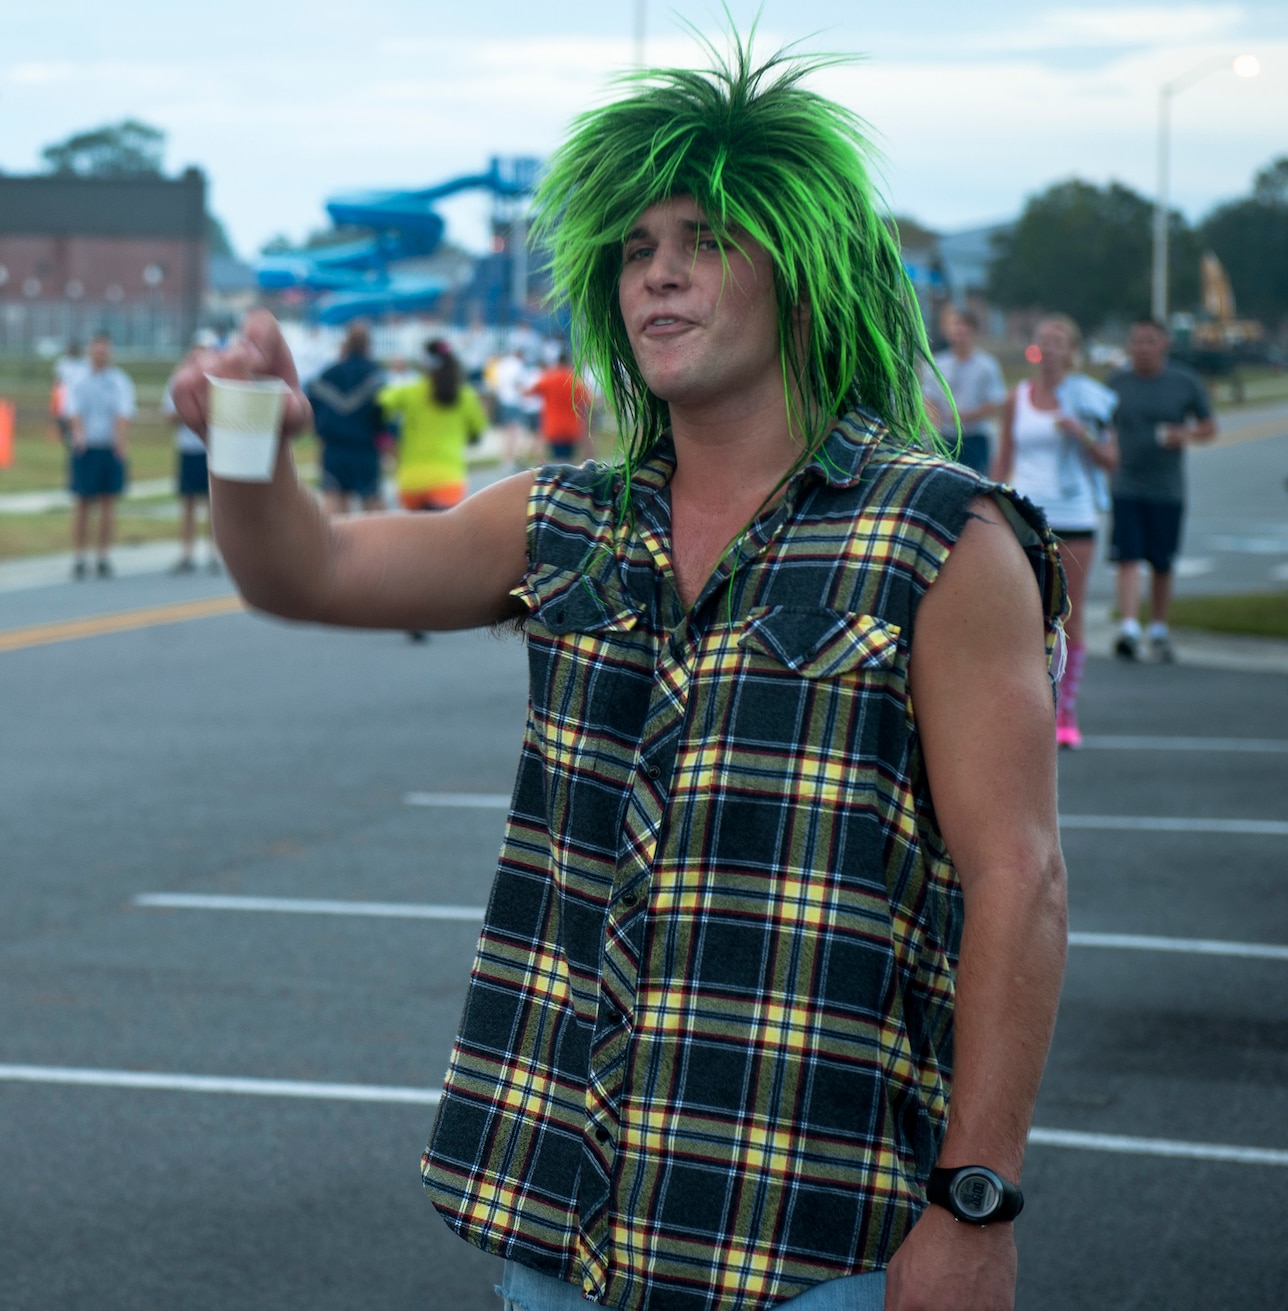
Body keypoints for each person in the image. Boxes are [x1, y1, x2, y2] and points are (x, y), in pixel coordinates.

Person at [173, 37, 1067, 1311]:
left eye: (702, 238)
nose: (657, 274)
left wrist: (973, 1204)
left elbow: (1016, 877)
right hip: (559, 1221)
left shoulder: (937, 536)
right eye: (634, 248)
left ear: (803, 265)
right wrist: (249, 436)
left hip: (806, 1225)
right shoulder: (564, 521)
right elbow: (302, 573)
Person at [991, 314, 1116, 749]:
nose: (1050, 348)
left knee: (1069, 615)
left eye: (1059, 341)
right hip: (1028, 515)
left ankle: (1065, 710)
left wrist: (1083, 434)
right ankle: (1026, 705)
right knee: (1024, 613)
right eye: (1044, 340)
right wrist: (990, 509)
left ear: (1072, 350)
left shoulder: (1088, 399)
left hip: (1075, 513)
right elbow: (1003, 459)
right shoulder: (1017, 397)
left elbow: (1110, 459)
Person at [1107, 318, 1216, 663]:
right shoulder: (1117, 383)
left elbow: (1209, 425)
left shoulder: (1183, 382)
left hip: (1167, 488)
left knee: (1161, 561)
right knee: (1127, 556)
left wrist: (1186, 434)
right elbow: (1101, 424)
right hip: (1126, 483)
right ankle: (1128, 628)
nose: (1142, 347)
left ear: (1164, 344)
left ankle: (1158, 627)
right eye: (1137, 341)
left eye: (1149, 341)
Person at [379, 339, 487, 513]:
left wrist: (384, 440)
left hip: (411, 483)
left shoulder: (409, 392)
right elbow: (477, 433)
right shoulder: (465, 395)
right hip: (448, 481)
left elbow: (378, 406)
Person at [64, 331, 133, 579]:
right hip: (86, 447)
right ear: (90, 350)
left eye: (105, 349)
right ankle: (79, 555)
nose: (101, 354)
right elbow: (73, 411)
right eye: (97, 349)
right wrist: (79, 435)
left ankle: (103, 555)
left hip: (108, 446)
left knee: (107, 503)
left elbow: (123, 413)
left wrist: (120, 441)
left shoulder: (118, 381)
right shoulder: (78, 379)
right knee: (82, 503)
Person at [306, 320, 387, 514]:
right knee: (373, 507)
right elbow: (384, 414)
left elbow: (311, 406)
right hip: (365, 450)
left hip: (334, 450)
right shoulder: (376, 377)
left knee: (334, 508)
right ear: (368, 346)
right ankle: (376, 545)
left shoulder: (326, 376)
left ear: (345, 344)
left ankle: (336, 544)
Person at [924, 306, 1005, 474]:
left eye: (964, 329)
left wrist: (965, 417)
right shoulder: (937, 364)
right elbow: (928, 399)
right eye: (955, 328)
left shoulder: (987, 366)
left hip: (975, 438)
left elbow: (995, 403)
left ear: (973, 332)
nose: (959, 334)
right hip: (945, 438)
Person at [165, 342, 215, 572]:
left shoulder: (217, 383)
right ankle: (187, 552)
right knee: (188, 502)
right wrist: (188, 410)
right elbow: (169, 417)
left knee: (213, 503)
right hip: (188, 447)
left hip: (211, 450)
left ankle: (214, 552)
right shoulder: (178, 384)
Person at [525, 345, 595, 464]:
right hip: (571, 427)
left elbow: (529, 392)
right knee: (569, 459)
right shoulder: (575, 380)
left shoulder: (549, 378)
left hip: (553, 427)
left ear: (557, 363)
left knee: (556, 459)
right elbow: (589, 399)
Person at [53, 340, 89, 446]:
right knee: (66, 423)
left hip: (80, 398)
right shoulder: (63, 363)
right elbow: (58, 382)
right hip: (65, 399)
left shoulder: (84, 363)